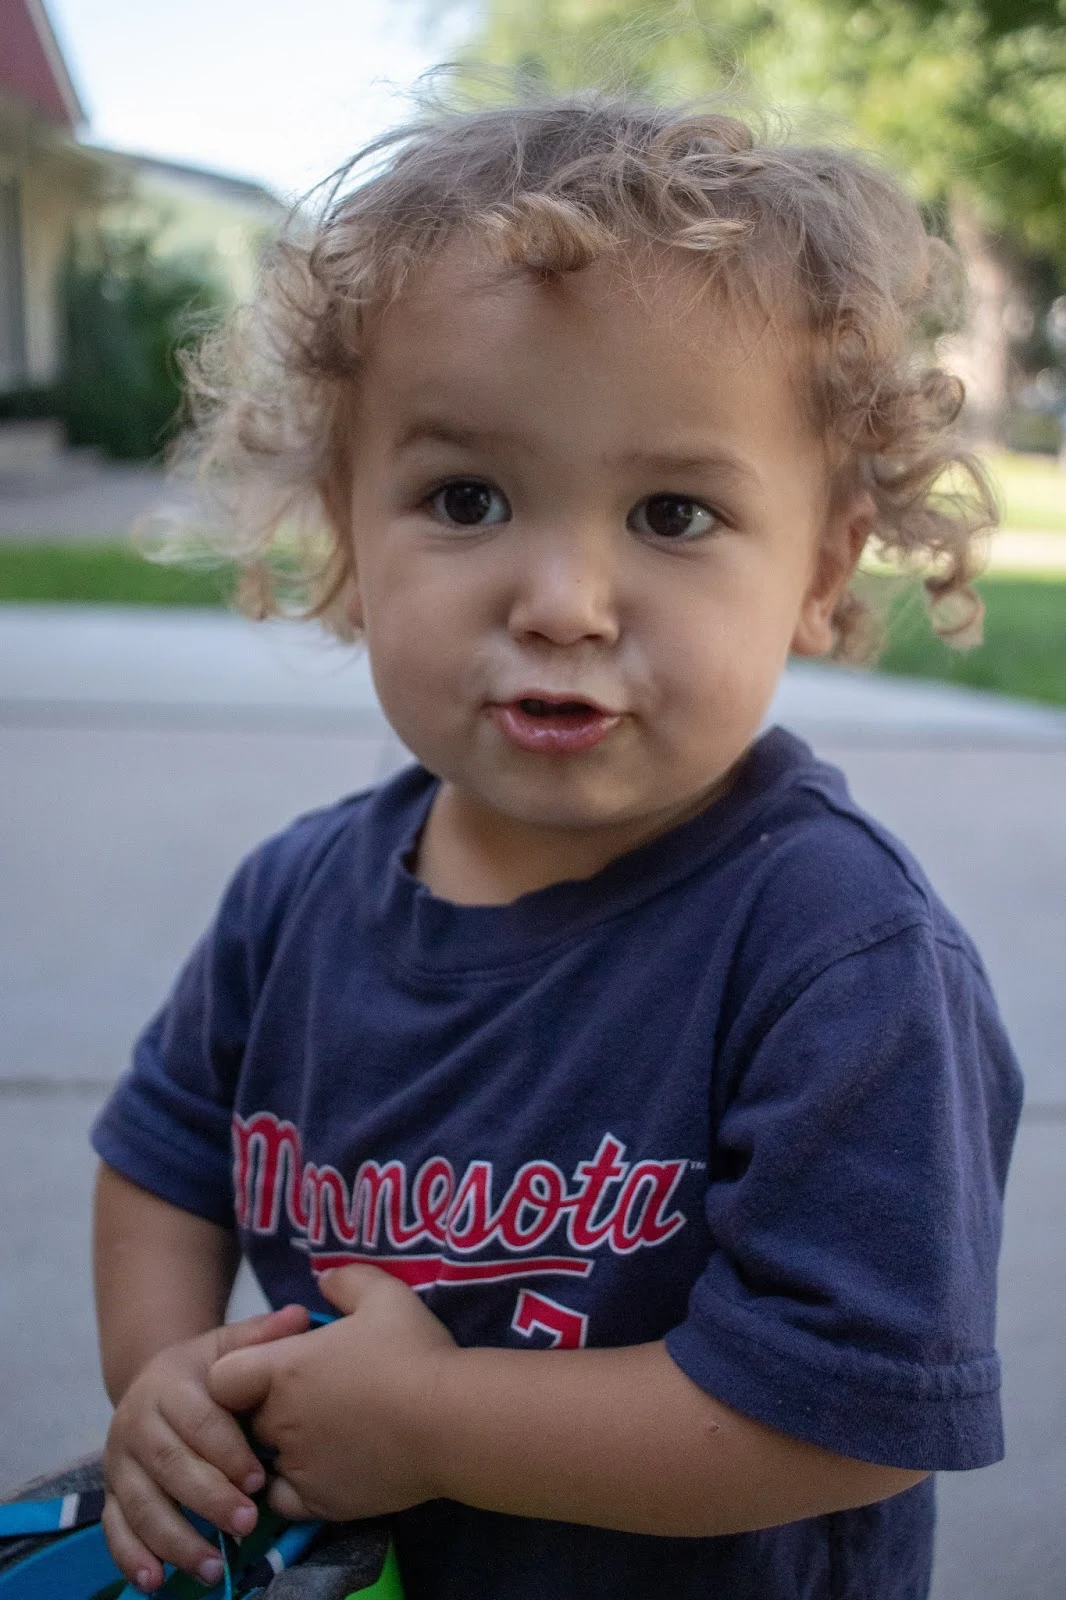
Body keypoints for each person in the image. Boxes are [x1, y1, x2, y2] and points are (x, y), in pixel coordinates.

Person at [90, 94, 1023, 1600]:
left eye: (671, 511)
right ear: (346, 523)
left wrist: (440, 1427)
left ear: (818, 569)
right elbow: (162, 1164)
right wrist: (170, 1391)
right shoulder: (294, 903)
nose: (564, 602)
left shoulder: (832, 956)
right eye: (465, 498)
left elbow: (848, 1413)